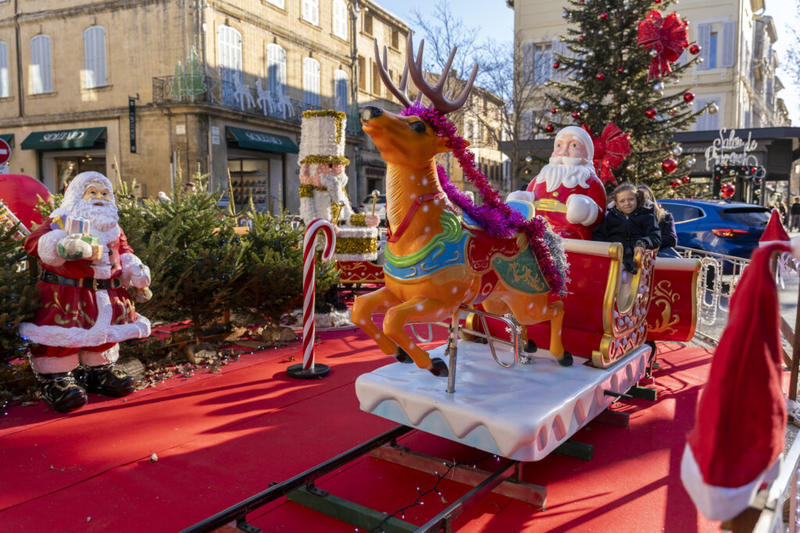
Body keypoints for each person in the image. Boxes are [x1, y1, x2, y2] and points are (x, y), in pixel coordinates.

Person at [19, 172, 152, 413]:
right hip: (65, 293)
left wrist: (135, 268)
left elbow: (124, 250)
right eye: (93, 192)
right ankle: (56, 377)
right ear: (78, 195)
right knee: (60, 336)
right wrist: (62, 244)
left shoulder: (113, 227)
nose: (99, 198)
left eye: (104, 193)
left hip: (104, 295)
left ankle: (98, 371)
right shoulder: (60, 220)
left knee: (103, 337)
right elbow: (34, 242)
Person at [515, 126, 607, 240]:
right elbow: (530, 194)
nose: (564, 152)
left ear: (586, 155)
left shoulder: (590, 180)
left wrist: (587, 210)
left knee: (559, 239)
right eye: (559, 145)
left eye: (573, 145)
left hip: (570, 231)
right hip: (536, 227)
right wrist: (522, 198)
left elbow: (600, 209)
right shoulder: (541, 177)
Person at [593, 183, 661, 275]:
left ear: (637, 199)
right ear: (616, 204)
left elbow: (655, 236)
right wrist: (605, 249)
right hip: (614, 260)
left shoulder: (647, 216)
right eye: (622, 201)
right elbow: (599, 235)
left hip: (639, 262)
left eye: (631, 199)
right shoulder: (610, 218)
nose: (627, 203)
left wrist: (643, 242)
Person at [638, 184, 679, 258]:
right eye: (639, 197)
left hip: (659, 255)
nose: (642, 201)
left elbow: (671, 239)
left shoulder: (665, 216)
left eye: (645, 197)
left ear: (650, 199)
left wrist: (649, 242)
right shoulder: (629, 216)